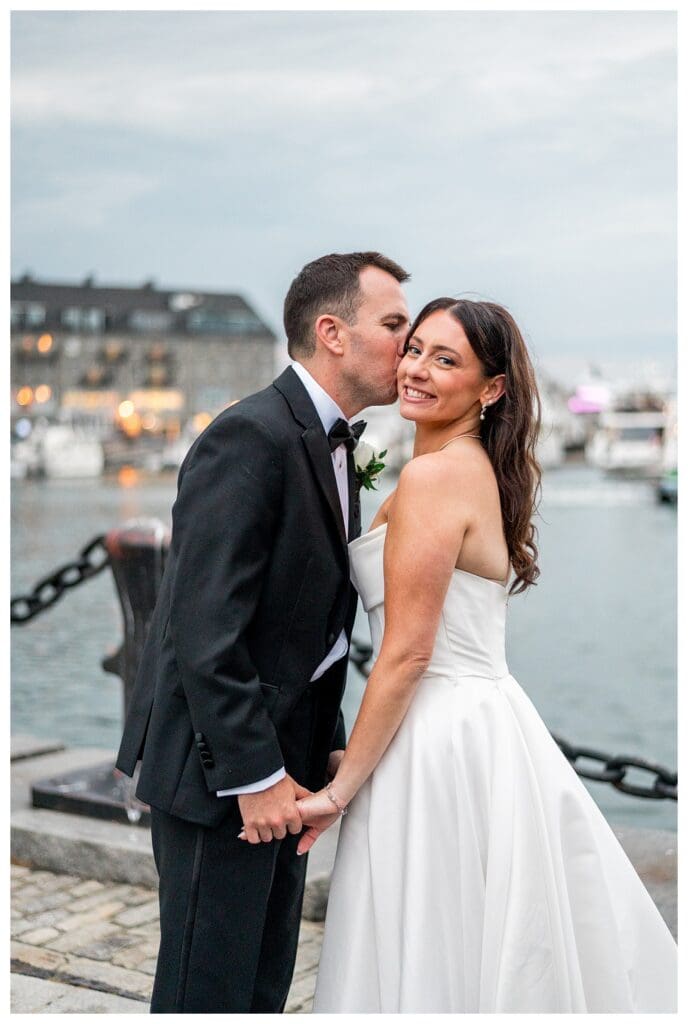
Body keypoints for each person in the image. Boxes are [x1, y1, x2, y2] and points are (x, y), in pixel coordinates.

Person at [287, 297, 678, 1012]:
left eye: (447, 360)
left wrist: (340, 792)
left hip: (439, 735)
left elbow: (406, 652)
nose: (418, 370)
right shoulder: (460, 465)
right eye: (416, 350)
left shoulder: (438, 477)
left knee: (431, 932)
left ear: (491, 388)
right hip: (467, 724)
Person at [115, 251, 410, 1012]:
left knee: (261, 987)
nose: (406, 345)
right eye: (393, 324)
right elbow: (203, 625)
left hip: (289, 769)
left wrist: (325, 744)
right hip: (229, 783)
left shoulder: (331, 440)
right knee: (206, 992)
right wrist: (254, 777)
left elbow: (307, 628)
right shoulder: (250, 436)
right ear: (332, 333)